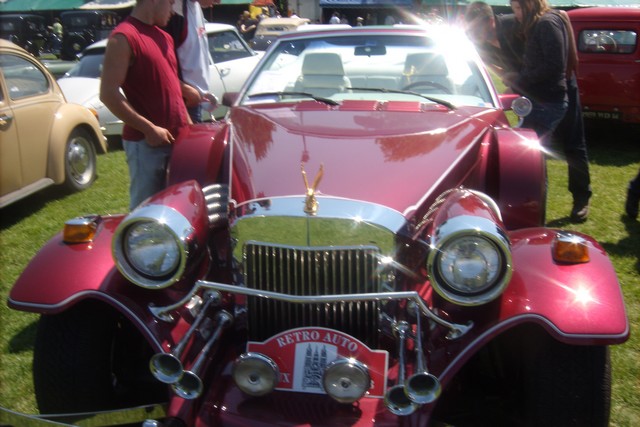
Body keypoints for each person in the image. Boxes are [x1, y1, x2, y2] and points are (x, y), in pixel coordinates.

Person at [505, 0, 591, 222]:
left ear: (529, 4)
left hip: (551, 98)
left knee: (542, 155)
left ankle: (576, 200)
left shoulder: (546, 23)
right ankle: (534, 209)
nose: (515, 14)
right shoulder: (538, 23)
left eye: (517, 8)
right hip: (545, 97)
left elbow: (554, 65)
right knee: (536, 156)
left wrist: (521, 81)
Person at [100, 0, 190, 210]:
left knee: (176, 209)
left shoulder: (165, 36)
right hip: (146, 144)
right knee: (147, 212)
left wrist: (190, 126)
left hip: (177, 143)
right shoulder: (123, 37)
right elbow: (108, 93)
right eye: (171, 2)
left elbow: (171, 87)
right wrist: (148, 128)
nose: (173, 9)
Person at [165, 0, 218, 123]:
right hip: (181, 103)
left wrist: (202, 91)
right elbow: (160, 63)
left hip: (195, 101)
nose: (218, 1)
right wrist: (185, 90)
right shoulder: (175, 11)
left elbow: (193, 56)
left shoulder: (196, 7)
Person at [463, 2, 523, 84]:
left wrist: (521, 77)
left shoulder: (515, 26)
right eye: (470, 30)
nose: (473, 34)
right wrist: (505, 75)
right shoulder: (477, 44)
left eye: (477, 29)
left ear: (491, 22)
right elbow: (487, 62)